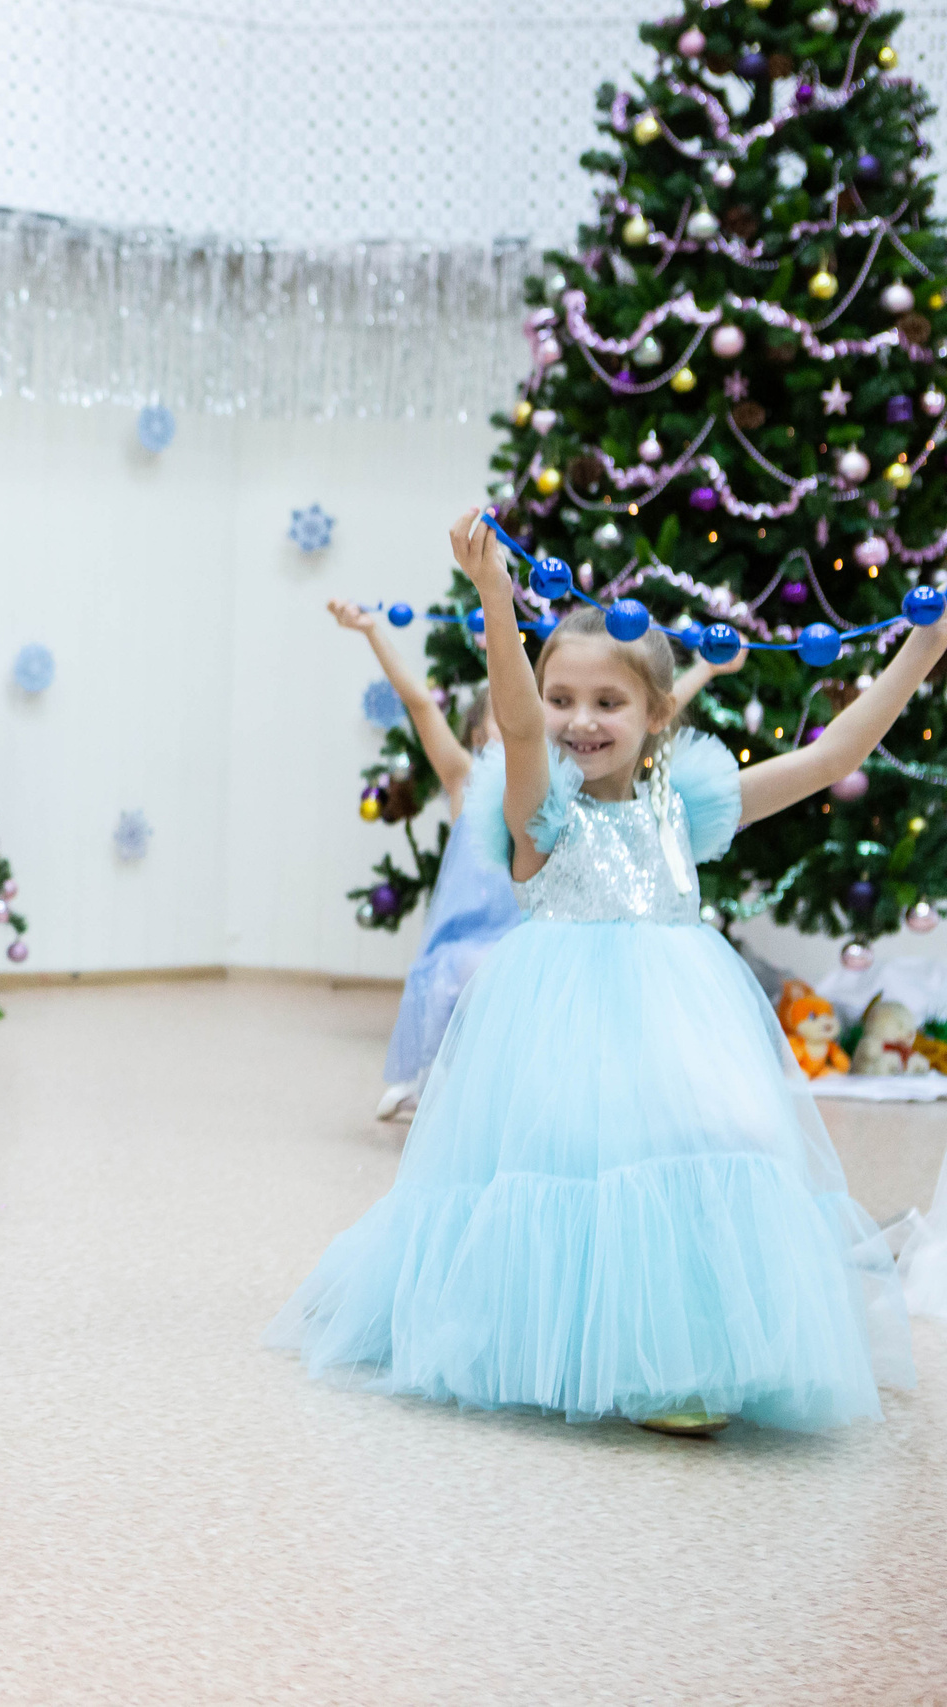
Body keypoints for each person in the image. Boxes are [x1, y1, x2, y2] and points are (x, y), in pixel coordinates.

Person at [271, 510, 925, 1436]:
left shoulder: (684, 803)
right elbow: (516, 723)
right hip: (563, 1020)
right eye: (563, 697)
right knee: (586, 1167)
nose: (581, 720)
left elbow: (832, 757)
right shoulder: (540, 809)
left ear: (657, 714)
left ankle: (696, 1346)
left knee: (714, 1148)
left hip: (681, 1013)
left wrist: (925, 647)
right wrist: (497, 597)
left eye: (608, 702)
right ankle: (633, 1363)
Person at [331, 599, 745, 1119]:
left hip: (533, 931)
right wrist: (379, 631)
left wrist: (705, 666)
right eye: (549, 705)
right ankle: (437, 1084)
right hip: (485, 933)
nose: (577, 724)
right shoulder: (471, 780)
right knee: (457, 979)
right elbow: (421, 703)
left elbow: (648, 707)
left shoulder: (595, 781)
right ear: (486, 732)